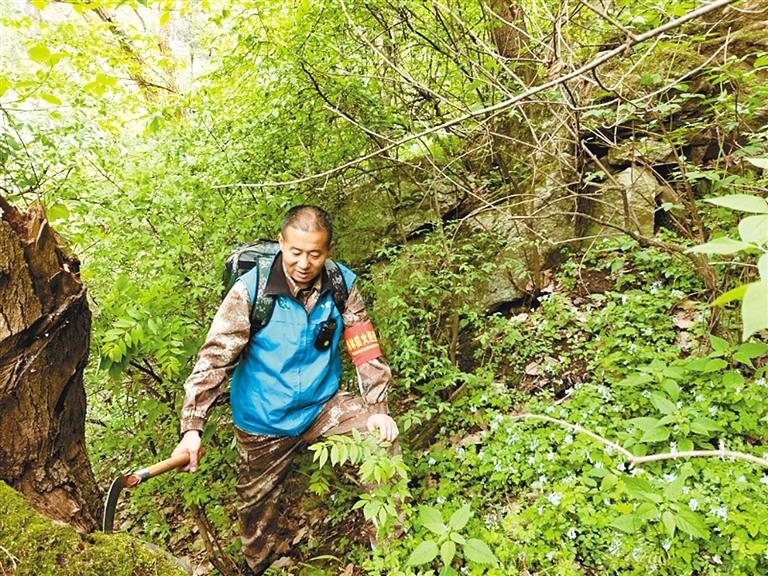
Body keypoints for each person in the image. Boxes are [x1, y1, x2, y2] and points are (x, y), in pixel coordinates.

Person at [172, 205, 398, 574]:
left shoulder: (340, 284)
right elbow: (215, 359)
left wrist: (378, 407)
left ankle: (390, 556)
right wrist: (192, 428)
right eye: (295, 252)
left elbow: (364, 345)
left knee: (382, 443)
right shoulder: (252, 291)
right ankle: (256, 567)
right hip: (263, 418)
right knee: (256, 512)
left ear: (328, 252)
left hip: (322, 405)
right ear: (281, 244)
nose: (304, 263)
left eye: (315, 253)